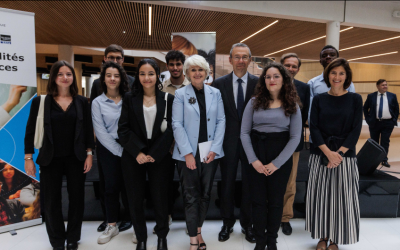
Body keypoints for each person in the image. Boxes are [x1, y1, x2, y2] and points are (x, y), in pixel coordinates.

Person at [24, 60, 94, 250]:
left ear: (73, 77)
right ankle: (56, 240)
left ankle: (72, 237)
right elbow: (30, 131)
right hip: (50, 159)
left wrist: (89, 153)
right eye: (60, 74)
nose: (65, 78)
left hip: (76, 158)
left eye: (69, 74)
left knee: (77, 199)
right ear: (54, 77)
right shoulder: (41, 101)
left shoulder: (81, 101)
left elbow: (88, 130)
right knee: (51, 200)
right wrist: (28, 158)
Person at [240, 62, 302, 250]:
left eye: (276, 76)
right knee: (258, 201)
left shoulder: (292, 104)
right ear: (263, 80)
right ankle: (260, 241)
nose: (272, 80)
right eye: (268, 76)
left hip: (280, 156)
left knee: (276, 202)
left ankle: (271, 240)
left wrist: (277, 163)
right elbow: (244, 133)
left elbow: (295, 137)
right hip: (257, 153)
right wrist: (254, 161)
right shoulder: (253, 102)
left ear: (284, 80)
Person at [306, 58, 362, 250]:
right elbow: (313, 128)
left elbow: (355, 130)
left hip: (344, 156)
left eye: (341, 73)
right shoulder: (319, 99)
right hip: (320, 154)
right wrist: (328, 153)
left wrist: (337, 154)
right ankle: (322, 237)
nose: (337, 77)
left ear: (347, 77)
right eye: (333, 73)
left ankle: (335, 239)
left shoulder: (355, 99)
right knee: (320, 197)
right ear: (327, 75)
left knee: (341, 199)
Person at [118, 58, 174, 250]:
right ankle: (141, 238)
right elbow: (123, 130)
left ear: (157, 75)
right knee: (135, 199)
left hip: (160, 155)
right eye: (142, 73)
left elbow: (171, 130)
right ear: (138, 76)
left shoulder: (168, 99)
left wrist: (155, 153)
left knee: (160, 198)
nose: (146, 78)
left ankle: (161, 237)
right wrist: (139, 152)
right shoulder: (128, 98)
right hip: (134, 156)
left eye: (151, 73)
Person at [172, 55, 225, 250]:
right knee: (190, 195)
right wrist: (187, 153)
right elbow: (176, 124)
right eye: (193, 70)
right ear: (187, 73)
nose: (197, 73)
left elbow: (221, 121)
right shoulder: (180, 94)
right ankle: (193, 238)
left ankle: (199, 231)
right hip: (188, 153)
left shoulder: (215, 93)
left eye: (200, 69)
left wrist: (215, 149)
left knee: (205, 194)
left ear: (206, 72)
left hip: (209, 152)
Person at [212, 43, 257, 243]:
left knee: (249, 184)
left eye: (244, 57)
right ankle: (227, 222)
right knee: (227, 184)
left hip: (252, 143)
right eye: (236, 57)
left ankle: (248, 224)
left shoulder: (260, 83)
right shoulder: (218, 84)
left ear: (250, 60)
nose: (240, 61)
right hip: (227, 142)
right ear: (230, 60)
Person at [90, 44, 133, 234]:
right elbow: (95, 122)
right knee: (108, 185)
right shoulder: (97, 90)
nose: (114, 62)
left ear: (123, 60)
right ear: (104, 59)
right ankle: (110, 219)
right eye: (111, 58)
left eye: (118, 58)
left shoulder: (131, 86)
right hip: (106, 147)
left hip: (129, 146)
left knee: (128, 185)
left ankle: (128, 219)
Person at [280, 53, 310, 235]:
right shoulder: (270, 83)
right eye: (287, 65)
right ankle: (270, 215)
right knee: (270, 180)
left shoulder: (304, 88)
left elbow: (304, 115)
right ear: (281, 66)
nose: (291, 69)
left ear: (298, 69)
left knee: (290, 183)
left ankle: (285, 218)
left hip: (293, 143)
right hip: (271, 142)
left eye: (294, 66)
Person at [160, 50, 190, 232]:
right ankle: (167, 215)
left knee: (188, 185)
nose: (175, 68)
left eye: (178, 64)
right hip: (166, 146)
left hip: (187, 145)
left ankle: (190, 220)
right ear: (167, 66)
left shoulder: (192, 86)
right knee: (165, 184)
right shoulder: (161, 88)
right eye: (171, 64)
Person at [308, 45, 356, 144]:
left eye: (332, 55)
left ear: (337, 59)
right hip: (319, 138)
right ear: (320, 61)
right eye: (324, 55)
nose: (328, 57)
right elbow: (310, 114)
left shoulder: (349, 84)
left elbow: (352, 112)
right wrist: (316, 136)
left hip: (342, 138)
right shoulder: (312, 83)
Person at [363, 79, 399, 168]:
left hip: (388, 123)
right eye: (383, 85)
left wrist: (393, 120)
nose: (385, 86)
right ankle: (373, 160)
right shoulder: (371, 96)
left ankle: (384, 160)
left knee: (385, 142)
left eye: (386, 85)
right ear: (378, 86)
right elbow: (365, 108)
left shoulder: (392, 96)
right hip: (374, 123)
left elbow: (396, 109)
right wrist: (368, 119)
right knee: (374, 142)